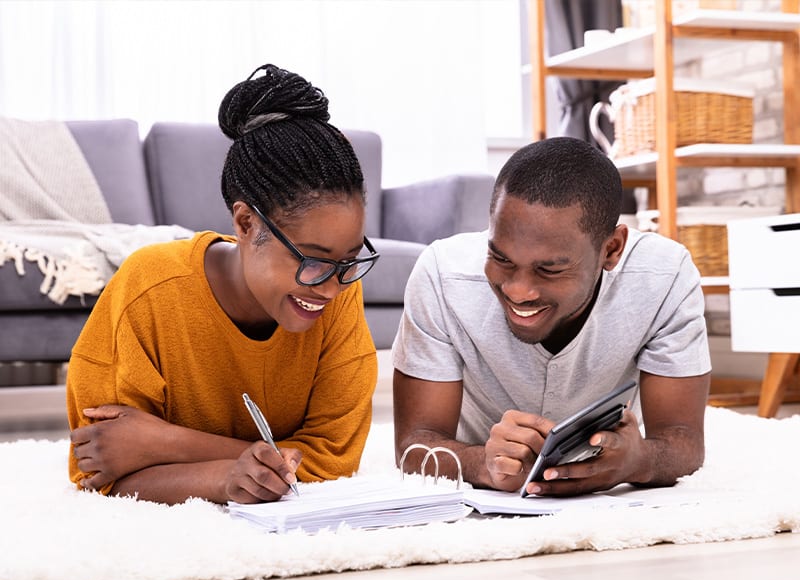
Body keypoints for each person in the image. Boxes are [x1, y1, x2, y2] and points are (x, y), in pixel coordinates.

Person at [67, 64, 379, 505]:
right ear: (246, 223)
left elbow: (333, 461)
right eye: (311, 259)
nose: (330, 288)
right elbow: (98, 465)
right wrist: (226, 475)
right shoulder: (148, 290)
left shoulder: (335, 290)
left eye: (349, 261)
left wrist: (168, 444)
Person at [392, 136, 710, 497]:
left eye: (549, 270)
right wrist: (482, 463)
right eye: (501, 259)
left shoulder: (665, 276)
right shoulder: (441, 275)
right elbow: (414, 448)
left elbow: (683, 442)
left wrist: (638, 461)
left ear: (612, 249)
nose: (518, 290)